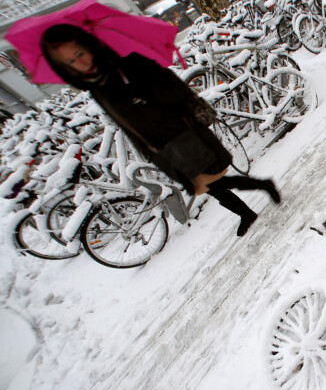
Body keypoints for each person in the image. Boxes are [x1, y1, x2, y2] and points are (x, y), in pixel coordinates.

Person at [40, 24, 279, 236]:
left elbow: (175, 88)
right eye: (71, 62)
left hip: (182, 133)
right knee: (206, 186)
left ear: (90, 46)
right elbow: (128, 126)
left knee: (211, 182)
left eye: (80, 54)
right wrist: (149, 153)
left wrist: (144, 96)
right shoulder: (97, 90)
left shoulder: (129, 65)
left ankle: (257, 193)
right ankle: (251, 204)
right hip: (162, 148)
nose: (81, 64)